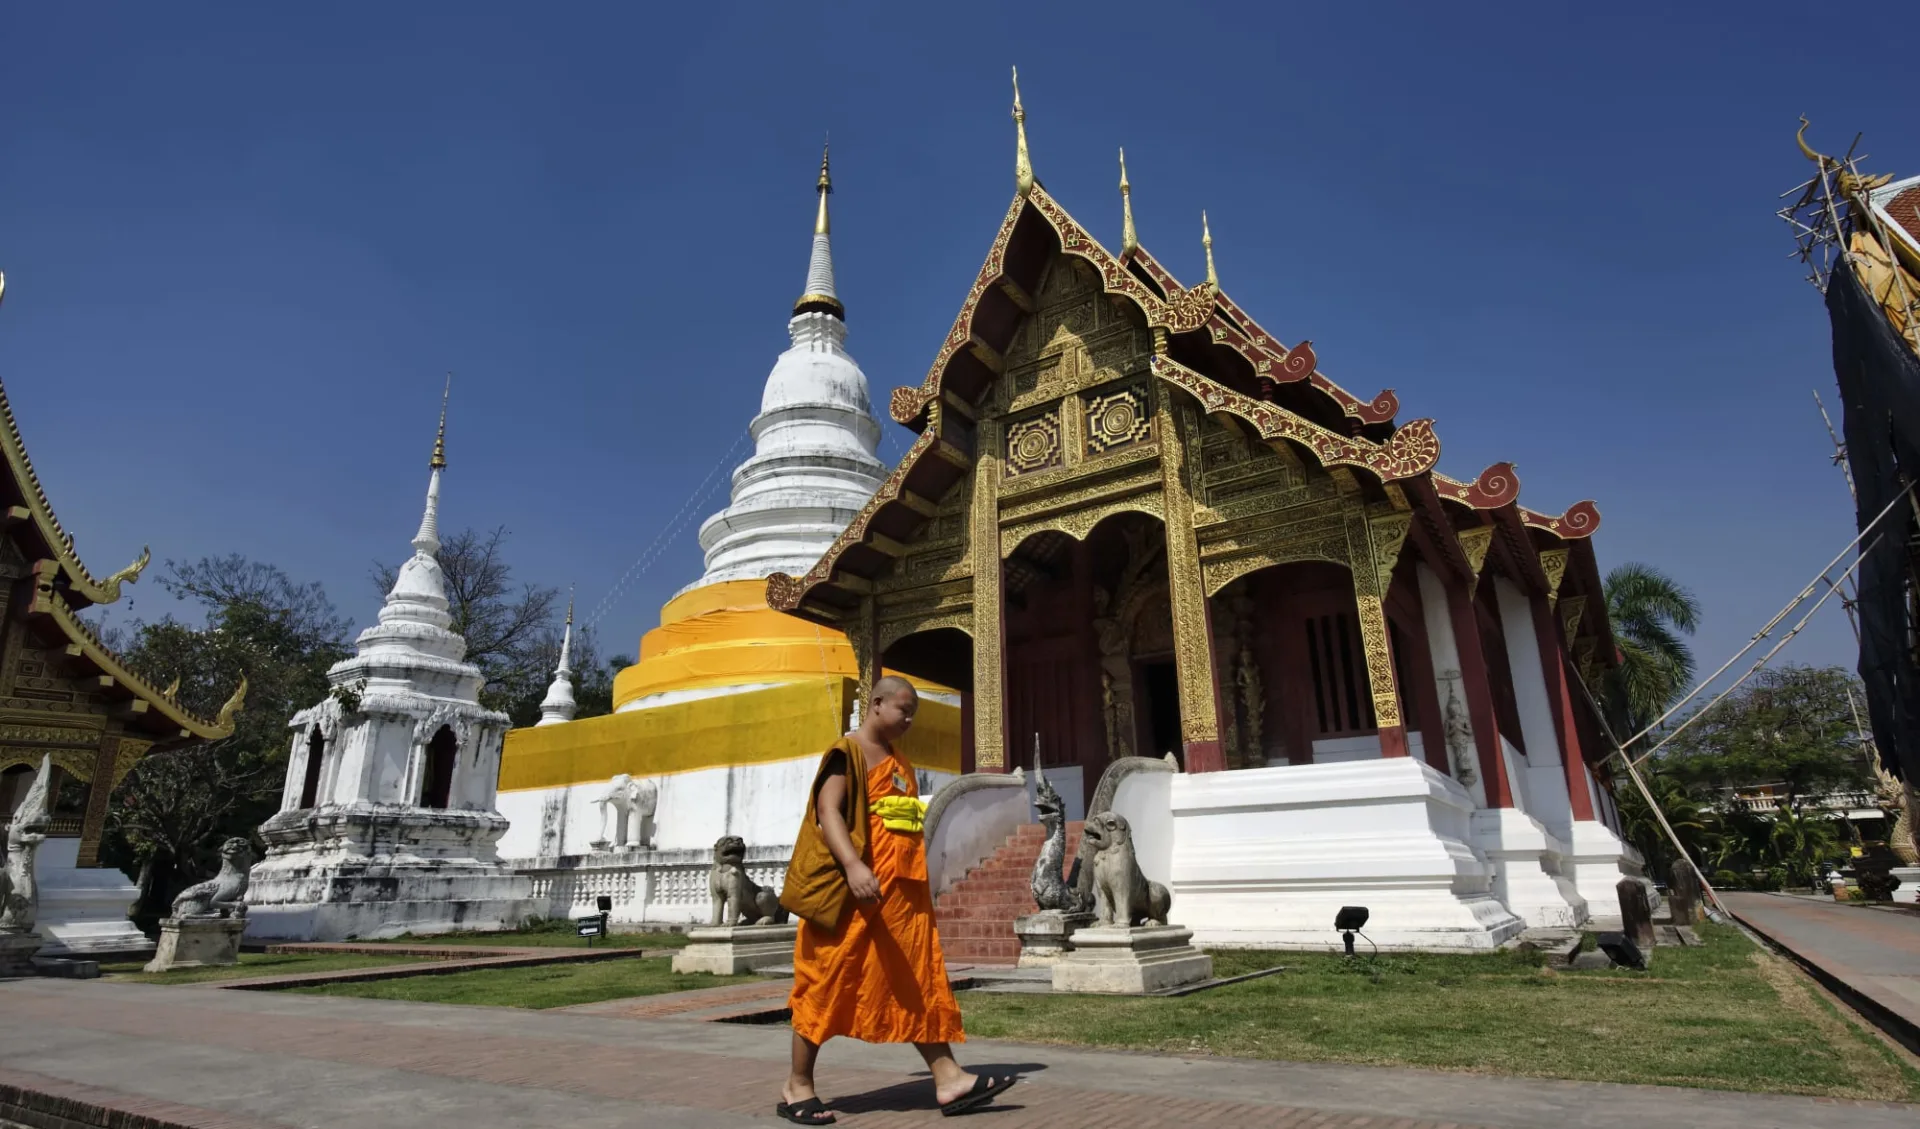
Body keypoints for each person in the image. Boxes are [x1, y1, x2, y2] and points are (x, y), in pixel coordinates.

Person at [776, 675, 1016, 1124]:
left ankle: (948, 1078)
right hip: (852, 897)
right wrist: (853, 866)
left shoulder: (899, 763)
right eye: (902, 710)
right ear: (876, 704)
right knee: (827, 983)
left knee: (915, 982)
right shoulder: (845, 753)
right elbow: (828, 811)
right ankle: (797, 1085)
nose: (908, 719)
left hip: (899, 901)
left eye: (913, 713)